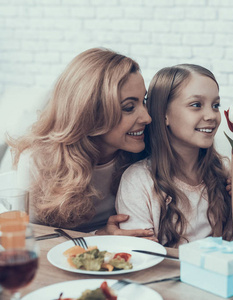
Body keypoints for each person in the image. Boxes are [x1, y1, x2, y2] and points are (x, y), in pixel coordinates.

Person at [9, 48, 155, 237]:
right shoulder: (37, 161)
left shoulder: (142, 153)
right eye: (128, 107)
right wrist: (99, 235)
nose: (147, 117)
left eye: (144, 101)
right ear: (90, 113)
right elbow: (30, 238)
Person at [116, 64, 233, 247]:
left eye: (215, 105)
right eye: (196, 105)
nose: (211, 115)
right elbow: (141, 253)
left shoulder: (224, 172)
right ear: (164, 115)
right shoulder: (138, 181)